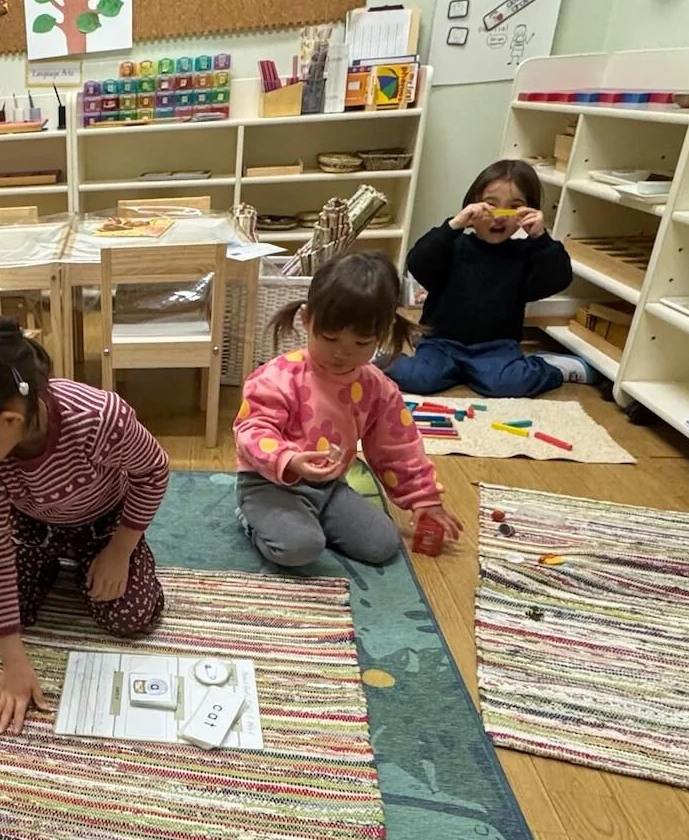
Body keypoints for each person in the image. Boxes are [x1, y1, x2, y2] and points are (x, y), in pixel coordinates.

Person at [0, 312, 169, 735]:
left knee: (132, 616)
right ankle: (48, 568)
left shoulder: (97, 418)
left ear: (8, 420)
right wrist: (13, 661)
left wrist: (120, 550)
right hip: (31, 530)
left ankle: (92, 562)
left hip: (104, 525)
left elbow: (153, 471)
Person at [236, 252, 463, 567]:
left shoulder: (378, 388)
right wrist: (289, 458)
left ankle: (308, 522)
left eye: (361, 344)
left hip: (329, 488)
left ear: (381, 336)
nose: (342, 353)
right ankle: (251, 517)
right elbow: (251, 431)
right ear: (306, 319)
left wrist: (424, 499)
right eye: (330, 338)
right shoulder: (277, 377)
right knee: (299, 549)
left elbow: (398, 449)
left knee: (382, 545)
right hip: (270, 484)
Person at [388, 158, 591, 397]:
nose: (499, 216)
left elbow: (558, 279)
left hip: (496, 347)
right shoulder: (454, 246)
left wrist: (541, 238)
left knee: (506, 384)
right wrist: (454, 225)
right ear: (472, 207)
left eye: (514, 207)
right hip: (442, 342)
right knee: (418, 378)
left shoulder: (524, 254)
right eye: (490, 205)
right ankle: (377, 355)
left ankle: (550, 366)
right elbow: (418, 262)